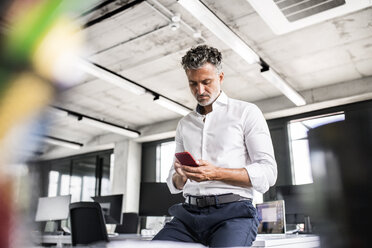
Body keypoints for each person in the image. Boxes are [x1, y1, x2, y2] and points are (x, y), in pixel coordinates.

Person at [152, 45, 277, 247]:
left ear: (220, 77)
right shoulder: (185, 124)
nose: (199, 91)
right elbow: (173, 182)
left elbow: (268, 173)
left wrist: (215, 173)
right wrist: (181, 176)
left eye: (206, 82)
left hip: (233, 214)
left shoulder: (246, 112)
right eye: (193, 84)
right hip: (188, 216)